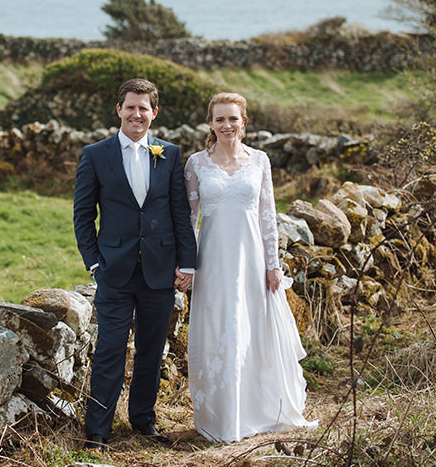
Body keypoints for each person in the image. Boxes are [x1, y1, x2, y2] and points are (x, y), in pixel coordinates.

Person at [184, 92, 317, 443]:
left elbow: (267, 216)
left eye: (233, 118)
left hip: (252, 259)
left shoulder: (259, 161)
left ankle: (256, 409)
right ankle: (222, 414)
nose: (226, 125)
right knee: (218, 328)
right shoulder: (196, 164)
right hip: (212, 261)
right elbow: (188, 220)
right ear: (210, 123)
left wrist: (273, 265)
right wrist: (186, 265)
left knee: (251, 330)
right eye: (219, 119)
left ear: (244, 121)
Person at [73, 78, 198, 451]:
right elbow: (83, 214)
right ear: (119, 111)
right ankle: (97, 430)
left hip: (160, 271)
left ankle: (144, 420)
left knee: (151, 350)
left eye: (144, 108)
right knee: (110, 349)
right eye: (131, 107)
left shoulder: (170, 153)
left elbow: (180, 211)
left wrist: (187, 264)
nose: (137, 114)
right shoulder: (95, 154)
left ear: (154, 113)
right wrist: (94, 263)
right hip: (113, 270)